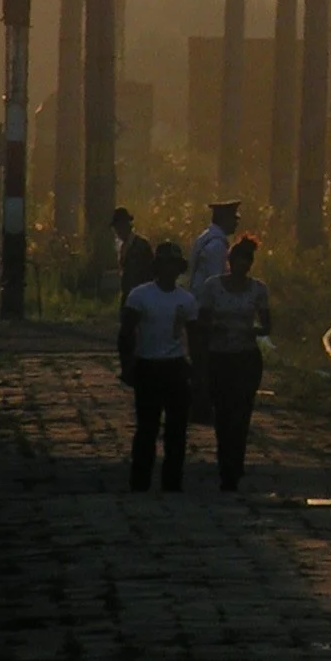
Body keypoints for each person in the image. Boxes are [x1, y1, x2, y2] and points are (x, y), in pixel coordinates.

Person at [118, 241, 198, 493]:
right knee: (147, 428)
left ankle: (172, 481)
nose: (169, 269)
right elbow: (127, 333)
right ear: (157, 267)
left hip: (175, 367)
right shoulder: (140, 296)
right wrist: (127, 364)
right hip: (148, 365)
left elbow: (194, 338)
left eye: (173, 265)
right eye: (165, 263)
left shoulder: (186, 299)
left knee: (176, 429)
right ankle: (140, 480)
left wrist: (197, 369)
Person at [195, 235, 272, 492]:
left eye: (246, 262)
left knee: (241, 414)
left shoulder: (258, 289)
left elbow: (267, 325)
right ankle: (225, 462)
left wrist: (255, 331)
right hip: (219, 357)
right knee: (223, 413)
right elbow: (202, 321)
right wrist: (215, 328)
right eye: (238, 261)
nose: (242, 266)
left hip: (246, 357)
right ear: (230, 262)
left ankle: (234, 464)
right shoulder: (212, 287)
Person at [188, 199, 240, 289]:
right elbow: (216, 279)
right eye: (233, 219)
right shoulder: (217, 245)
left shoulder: (205, 237)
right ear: (224, 219)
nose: (236, 223)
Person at [111, 207, 155, 304]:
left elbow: (151, 273)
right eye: (116, 229)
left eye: (119, 227)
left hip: (141, 296)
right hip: (128, 296)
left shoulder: (142, 246)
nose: (117, 232)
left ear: (126, 225)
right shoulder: (122, 247)